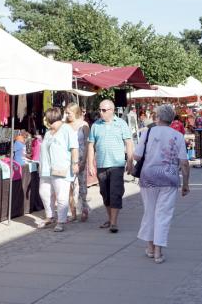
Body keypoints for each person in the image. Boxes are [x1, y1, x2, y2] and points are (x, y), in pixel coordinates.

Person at [135, 105, 190, 263]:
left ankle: (150, 248)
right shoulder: (178, 135)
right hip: (169, 179)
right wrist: (186, 183)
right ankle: (158, 251)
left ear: (157, 117)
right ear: (172, 119)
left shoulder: (148, 132)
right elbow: (184, 163)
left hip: (148, 177)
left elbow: (137, 156)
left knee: (150, 212)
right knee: (163, 214)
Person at [88, 99, 134, 233]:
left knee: (115, 192)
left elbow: (129, 143)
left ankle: (114, 222)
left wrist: (130, 161)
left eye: (104, 110)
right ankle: (110, 219)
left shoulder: (121, 124)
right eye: (100, 110)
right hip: (102, 164)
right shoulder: (96, 125)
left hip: (117, 164)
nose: (101, 112)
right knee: (105, 193)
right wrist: (91, 163)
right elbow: (91, 145)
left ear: (112, 110)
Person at [38, 107, 79, 232]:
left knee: (62, 196)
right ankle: (49, 216)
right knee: (44, 193)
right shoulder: (48, 132)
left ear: (50, 118)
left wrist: (75, 163)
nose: (44, 119)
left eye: (46, 117)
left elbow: (74, 148)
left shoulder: (67, 129)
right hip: (46, 168)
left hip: (61, 168)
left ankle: (61, 221)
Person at [65, 102, 90, 222]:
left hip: (81, 157)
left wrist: (85, 160)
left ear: (75, 112)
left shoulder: (84, 125)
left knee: (82, 185)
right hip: (68, 159)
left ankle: (84, 208)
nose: (66, 115)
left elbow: (87, 143)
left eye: (68, 113)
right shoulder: (65, 125)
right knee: (69, 186)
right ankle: (73, 211)